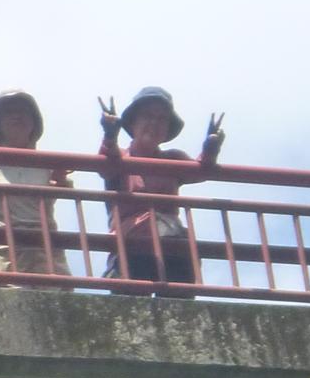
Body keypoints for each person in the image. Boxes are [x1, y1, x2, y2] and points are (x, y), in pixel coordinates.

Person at [96, 87, 224, 294]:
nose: (154, 123)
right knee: (131, 300)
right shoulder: (120, 157)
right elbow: (106, 166)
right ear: (133, 123)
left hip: (171, 244)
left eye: (162, 119)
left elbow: (201, 171)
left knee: (178, 296)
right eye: (148, 116)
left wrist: (210, 148)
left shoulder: (173, 159)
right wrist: (109, 136)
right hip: (131, 245)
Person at [0, 90, 70, 282]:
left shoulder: (47, 163)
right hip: (5, 244)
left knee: (55, 293)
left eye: (24, 111)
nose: (17, 116)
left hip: (45, 243)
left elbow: (59, 192)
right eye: (9, 112)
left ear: (34, 121)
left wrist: (60, 182)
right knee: (11, 293)